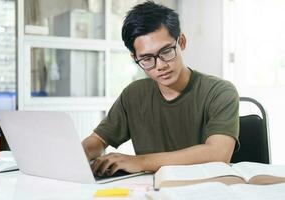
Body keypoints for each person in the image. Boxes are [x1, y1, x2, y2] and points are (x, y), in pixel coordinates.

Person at [82, 1, 239, 176]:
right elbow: (98, 140)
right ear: (135, 58)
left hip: (205, 188)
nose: (160, 65)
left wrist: (139, 161)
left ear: (181, 42)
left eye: (166, 52)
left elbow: (218, 154)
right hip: (150, 190)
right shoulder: (134, 94)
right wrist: (78, 154)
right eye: (147, 59)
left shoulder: (219, 92)